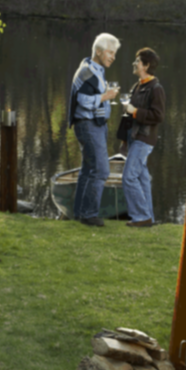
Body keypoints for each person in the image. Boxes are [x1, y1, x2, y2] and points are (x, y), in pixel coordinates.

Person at [68, 33, 121, 227]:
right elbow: (83, 101)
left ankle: (80, 212)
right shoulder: (87, 71)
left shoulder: (94, 69)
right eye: (110, 52)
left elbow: (92, 97)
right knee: (100, 170)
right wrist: (106, 97)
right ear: (98, 51)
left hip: (94, 126)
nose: (113, 57)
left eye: (114, 54)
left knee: (88, 169)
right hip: (88, 126)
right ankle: (89, 215)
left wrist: (105, 97)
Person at [121, 48, 166, 228]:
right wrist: (124, 139)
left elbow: (159, 116)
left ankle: (141, 217)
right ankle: (149, 218)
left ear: (146, 65)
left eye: (137, 61)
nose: (134, 64)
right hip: (134, 138)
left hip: (144, 139)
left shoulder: (156, 89)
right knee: (142, 179)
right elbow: (130, 116)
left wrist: (135, 111)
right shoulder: (138, 86)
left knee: (128, 177)